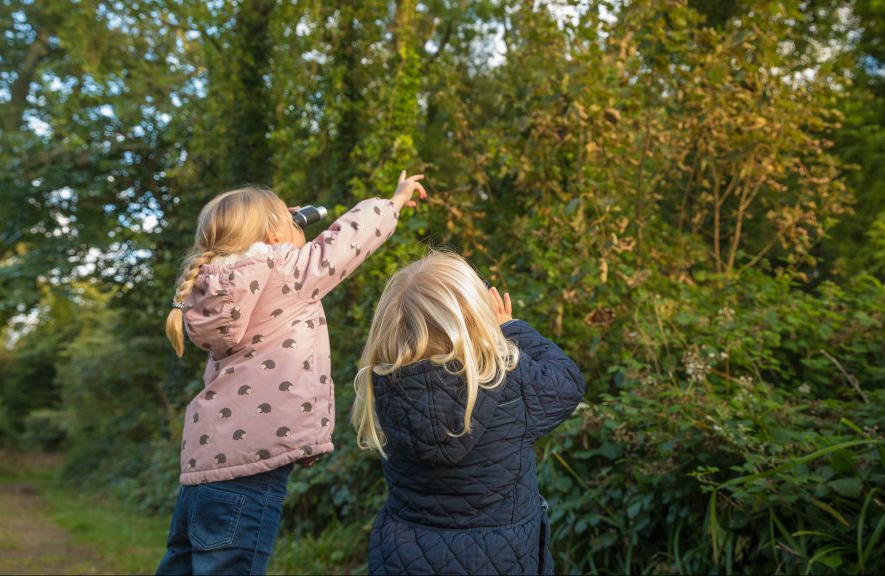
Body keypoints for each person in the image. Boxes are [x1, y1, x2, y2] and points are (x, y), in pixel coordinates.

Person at [157, 171, 427, 575]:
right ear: (272, 235)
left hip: (203, 467)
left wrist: (281, 223)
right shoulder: (285, 272)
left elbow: (271, 249)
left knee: (181, 565)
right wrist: (391, 202)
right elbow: (346, 241)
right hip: (252, 466)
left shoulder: (211, 290)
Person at [351, 250, 586, 575]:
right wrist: (511, 327)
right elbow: (567, 381)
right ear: (475, 317)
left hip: (405, 555)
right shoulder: (505, 378)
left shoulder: (384, 386)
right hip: (501, 557)